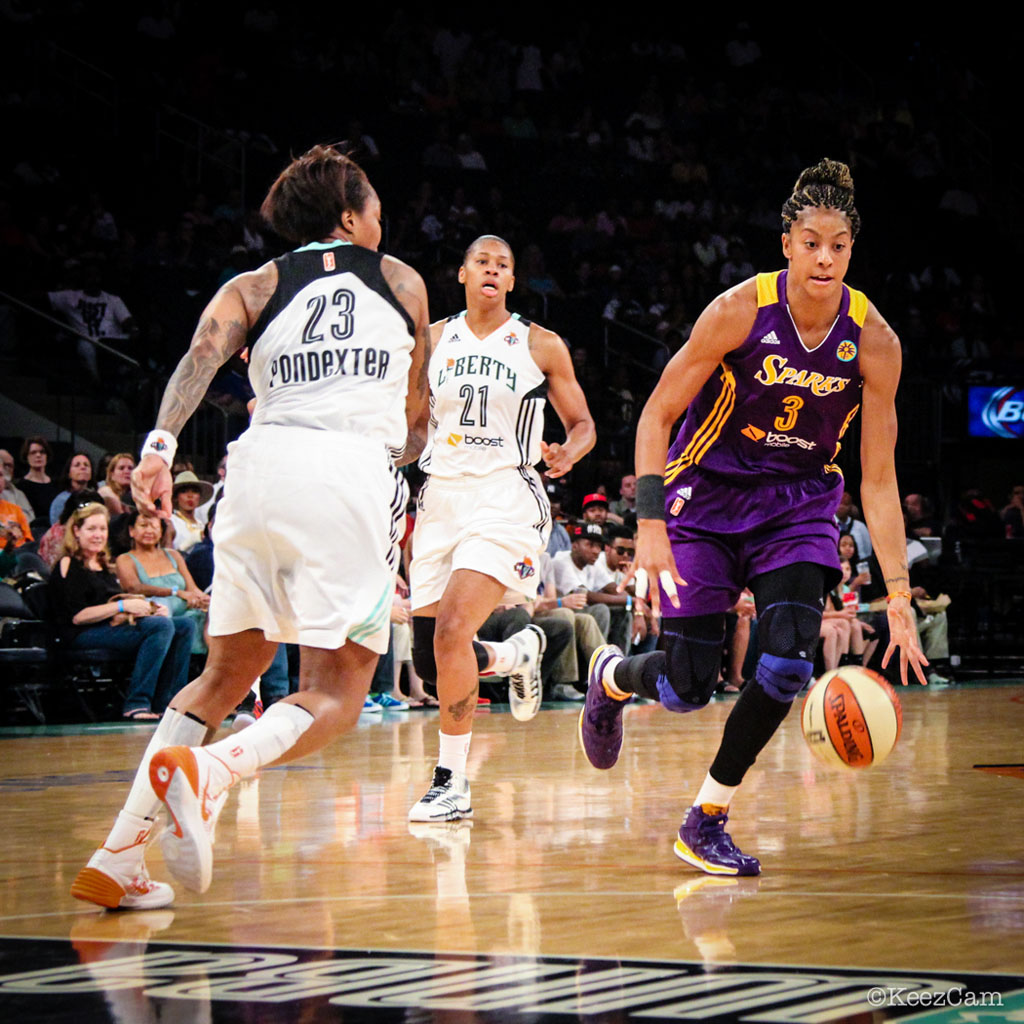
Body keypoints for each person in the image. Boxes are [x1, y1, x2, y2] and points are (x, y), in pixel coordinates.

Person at [70, 144, 431, 910]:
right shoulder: (401, 281)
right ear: (349, 217)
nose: (380, 221)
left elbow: (202, 354)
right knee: (337, 693)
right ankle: (214, 773)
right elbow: (418, 413)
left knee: (224, 674)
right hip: (346, 473)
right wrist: (406, 472)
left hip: (255, 472)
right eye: (374, 209)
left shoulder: (256, 282)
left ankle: (118, 857)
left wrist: (159, 450)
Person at [578, 159, 927, 877]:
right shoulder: (740, 309)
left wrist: (897, 594)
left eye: (838, 244)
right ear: (787, 244)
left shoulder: (877, 342)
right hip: (703, 499)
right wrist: (648, 523)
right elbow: (657, 414)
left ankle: (706, 817)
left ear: (852, 250)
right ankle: (613, 677)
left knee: (787, 659)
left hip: (798, 505)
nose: (824, 257)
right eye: (811, 242)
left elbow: (881, 478)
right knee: (686, 687)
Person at [407, 234, 595, 823]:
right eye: (482, 262)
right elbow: (410, 423)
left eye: (503, 265)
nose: (492, 270)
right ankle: (514, 653)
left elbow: (583, 422)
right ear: (462, 273)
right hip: (440, 498)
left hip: (505, 498)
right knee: (432, 658)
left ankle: (451, 783)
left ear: (512, 281)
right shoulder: (431, 340)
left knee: (452, 631)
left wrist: (569, 452)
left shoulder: (539, 345)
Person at [48, 503, 193, 720]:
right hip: (77, 634)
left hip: (108, 628)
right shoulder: (69, 563)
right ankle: (137, 704)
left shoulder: (104, 564)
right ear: (76, 531)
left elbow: (115, 604)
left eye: (103, 529)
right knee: (160, 627)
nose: (98, 535)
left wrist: (148, 608)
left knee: (184, 625)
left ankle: (169, 703)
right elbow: (77, 617)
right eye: (92, 529)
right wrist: (122, 606)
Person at [16, 436, 60, 524]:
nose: (38, 455)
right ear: (26, 457)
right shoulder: (21, 486)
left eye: (42, 452)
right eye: (33, 452)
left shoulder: (56, 484)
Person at [49, 452, 94, 525]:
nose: (83, 467)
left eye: (86, 465)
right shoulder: (61, 501)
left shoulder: (97, 498)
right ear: (68, 474)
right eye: (77, 465)